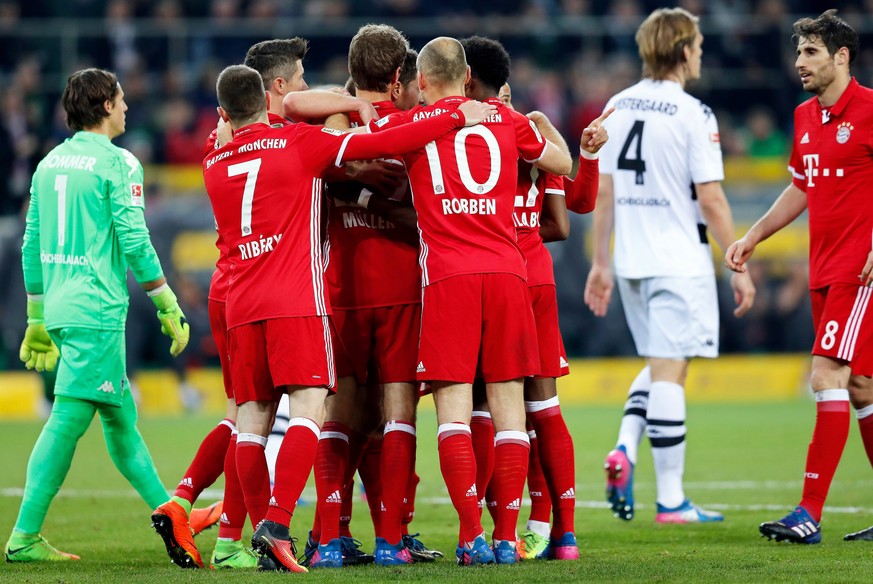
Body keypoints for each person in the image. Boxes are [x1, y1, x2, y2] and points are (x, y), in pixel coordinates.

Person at [202, 63, 494, 572]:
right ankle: (276, 522)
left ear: (224, 113)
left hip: (240, 304)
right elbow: (371, 145)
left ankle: (262, 534)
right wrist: (454, 119)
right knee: (312, 408)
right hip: (295, 302)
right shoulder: (296, 144)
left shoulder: (212, 156)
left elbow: (284, 107)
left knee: (250, 424)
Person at [368, 37, 572, 565]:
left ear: (424, 83)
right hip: (508, 276)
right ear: (466, 78)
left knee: (454, 416)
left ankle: (469, 535)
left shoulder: (411, 128)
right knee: (510, 417)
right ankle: (507, 537)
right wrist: (536, 121)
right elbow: (565, 164)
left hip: (449, 280)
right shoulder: (506, 121)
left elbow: (358, 143)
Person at [5, 68, 193, 562]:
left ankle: (173, 512)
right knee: (69, 417)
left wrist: (37, 316)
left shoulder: (48, 164)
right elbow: (134, 240)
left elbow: (30, 246)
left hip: (65, 308)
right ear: (106, 105)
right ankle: (24, 536)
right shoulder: (119, 163)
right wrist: (167, 302)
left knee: (120, 419)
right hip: (97, 308)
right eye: (122, 99)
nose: (128, 107)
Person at [585, 8, 755, 524]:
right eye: (698, 45)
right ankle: (672, 499)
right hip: (679, 259)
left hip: (632, 260)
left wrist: (601, 264)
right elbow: (712, 201)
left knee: (664, 365)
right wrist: (738, 263)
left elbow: (605, 192)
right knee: (669, 372)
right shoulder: (693, 113)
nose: (701, 53)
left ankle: (625, 448)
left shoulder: (615, 106)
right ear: (683, 50)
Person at [149, 37, 313, 571]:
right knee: (256, 416)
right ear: (279, 89)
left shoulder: (220, 144)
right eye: (302, 80)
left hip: (230, 285)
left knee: (241, 414)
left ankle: (183, 501)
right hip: (267, 286)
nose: (310, 89)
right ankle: (230, 537)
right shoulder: (286, 140)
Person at [725, 9, 873, 544]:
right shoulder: (805, 116)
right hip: (823, 268)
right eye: (798, 53)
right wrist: (753, 235)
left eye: (810, 53)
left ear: (841, 56)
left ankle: (808, 512)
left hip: (860, 270)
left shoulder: (872, 109)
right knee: (858, 386)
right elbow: (800, 188)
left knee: (826, 376)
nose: (798, 63)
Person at [460, 36, 608, 561]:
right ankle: (555, 529)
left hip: (488, 277)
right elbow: (570, 218)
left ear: (468, 79)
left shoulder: (465, 128)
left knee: (483, 406)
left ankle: (484, 528)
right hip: (535, 277)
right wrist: (584, 155)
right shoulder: (533, 130)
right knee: (541, 405)